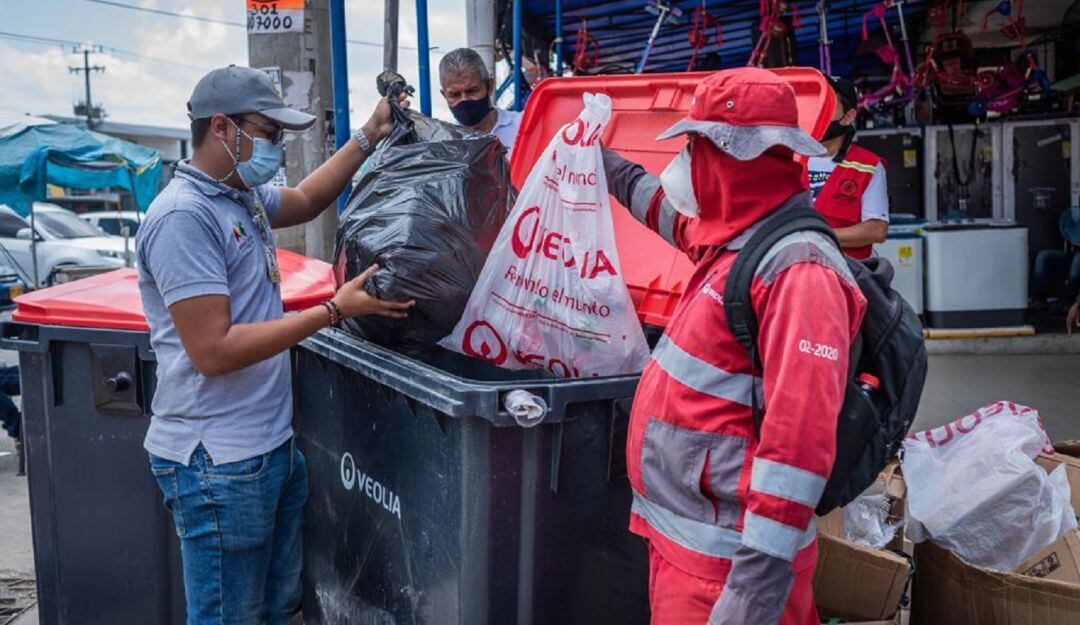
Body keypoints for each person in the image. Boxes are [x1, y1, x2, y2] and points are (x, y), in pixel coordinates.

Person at [137, 65, 414, 625]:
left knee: (277, 610)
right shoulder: (185, 217)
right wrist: (334, 310)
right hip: (217, 463)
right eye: (268, 132)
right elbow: (213, 351)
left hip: (269, 448)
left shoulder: (240, 196)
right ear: (222, 128)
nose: (277, 146)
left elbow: (308, 199)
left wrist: (371, 133)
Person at [601, 68, 867, 625]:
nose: (685, 163)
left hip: (729, 577)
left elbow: (799, 449)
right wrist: (603, 164)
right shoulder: (740, 236)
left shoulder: (801, 271)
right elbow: (666, 212)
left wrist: (755, 590)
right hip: (689, 552)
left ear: (731, 154)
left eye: (693, 147)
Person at [807, 76, 889, 259]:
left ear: (849, 117)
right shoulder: (789, 159)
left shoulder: (868, 166)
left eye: (827, 104)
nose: (818, 110)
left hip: (846, 273)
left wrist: (817, 237)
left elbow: (877, 230)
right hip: (793, 271)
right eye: (815, 103)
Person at [438, 47, 522, 158]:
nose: (464, 99)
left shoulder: (523, 127)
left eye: (472, 91)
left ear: (490, 86)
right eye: (455, 95)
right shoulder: (443, 147)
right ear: (444, 95)